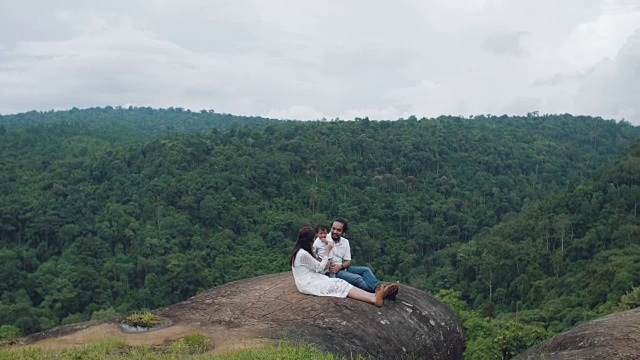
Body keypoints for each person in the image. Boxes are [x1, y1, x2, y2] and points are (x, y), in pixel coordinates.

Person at [290, 226, 385, 307]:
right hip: (308, 283)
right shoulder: (303, 254)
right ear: (309, 240)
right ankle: (373, 299)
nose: (314, 240)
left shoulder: (300, 251)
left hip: (311, 278)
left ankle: (373, 296)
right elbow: (319, 267)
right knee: (339, 285)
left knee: (340, 282)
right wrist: (327, 251)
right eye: (313, 239)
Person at [328, 218, 399, 299]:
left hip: (341, 268)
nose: (335, 232)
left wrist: (340, 266)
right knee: (358, 279)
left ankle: (379, 287)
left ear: (343, 233)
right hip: (333, 273)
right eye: (333, 229)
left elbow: (348, 261)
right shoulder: (324, 240)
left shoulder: (345, 242)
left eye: (338, 230)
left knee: (366, 270)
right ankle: (383, 292)